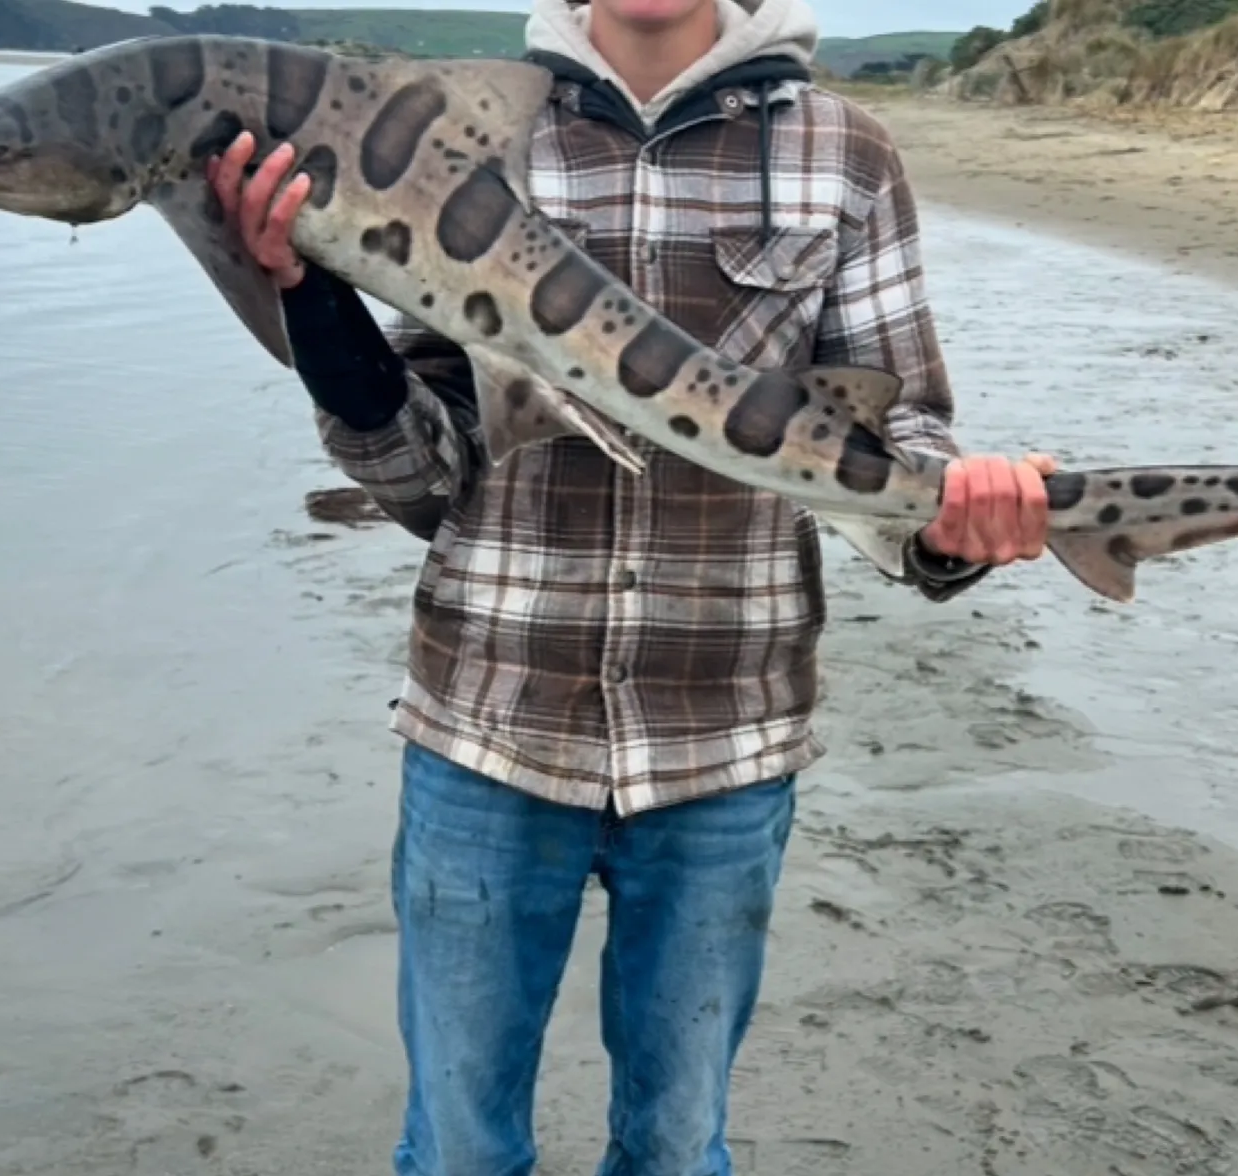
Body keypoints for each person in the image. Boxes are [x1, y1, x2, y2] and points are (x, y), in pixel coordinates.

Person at [208, 0, 1055, 1172]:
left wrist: (964, 521)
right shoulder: (461, 131)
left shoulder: (843, 152)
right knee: (457, 1149)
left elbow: (897, 430)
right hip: (488, 729)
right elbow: (424, 476)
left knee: (675, 1146)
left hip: (726, 743)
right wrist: (311, 296)